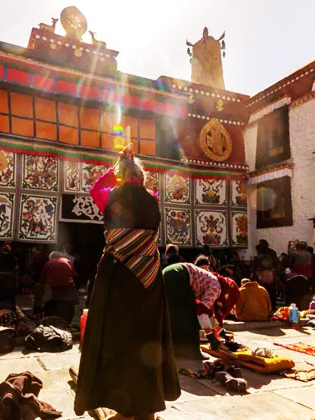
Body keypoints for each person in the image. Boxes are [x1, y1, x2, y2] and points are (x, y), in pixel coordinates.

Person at [75, 145, 180, 419]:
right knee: (148, 338)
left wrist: (118, 165)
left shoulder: (110, 197)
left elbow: (96, 188)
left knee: (115, 339)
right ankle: (147, 405)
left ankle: (123, 407)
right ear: (142, 177)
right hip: (148, 278)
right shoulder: (153, 197)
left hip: (117, 277)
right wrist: (130, 164)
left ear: (121, 176)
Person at [162, 262, 221, 359]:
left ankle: (174, 349)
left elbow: (207, 312)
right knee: (191, 316)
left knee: (174, 315)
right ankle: (193, 352)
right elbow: (201, 311)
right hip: (179, 275)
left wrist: (213, 330)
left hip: (168, 272)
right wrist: (210, 336)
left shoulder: (210, 279)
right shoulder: (216, 288)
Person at [41, 251, 78, 323]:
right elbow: (75, 275)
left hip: (53, 291)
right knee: (67, 315)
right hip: (69, 290)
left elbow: (43, 277)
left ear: (51, 258)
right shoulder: (68, 261)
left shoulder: (49, 263)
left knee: (50, 312)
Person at [0, 243, 19, 309]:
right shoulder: (14, 258)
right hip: (11, 279)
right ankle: (12, 310)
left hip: (0, 279)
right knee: (11, 296)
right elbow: (17, 268)